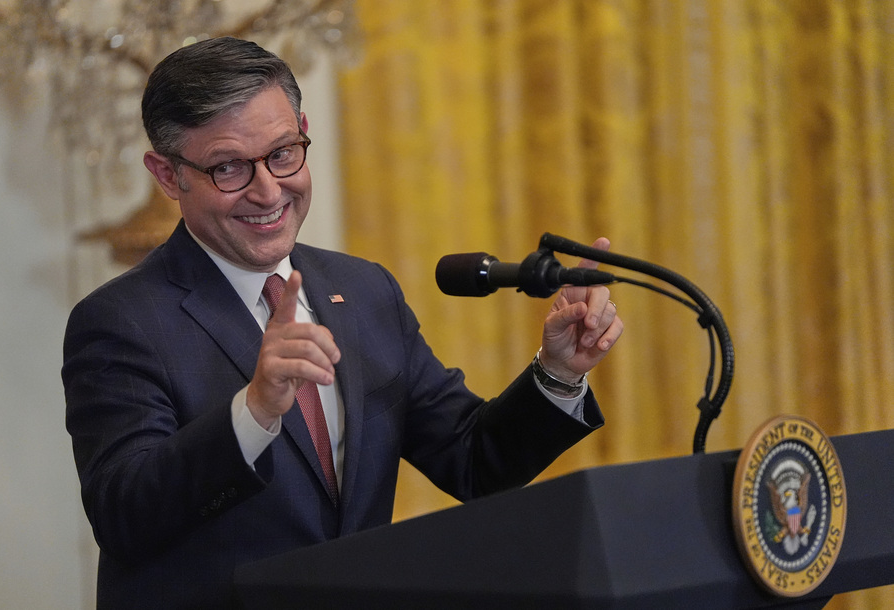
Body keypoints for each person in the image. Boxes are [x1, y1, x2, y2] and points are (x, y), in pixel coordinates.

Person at [62, 37, 623, 609]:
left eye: (283, 153)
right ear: (167, 175)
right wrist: (254, 411)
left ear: (303, 131)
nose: (268, 190)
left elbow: (473, 460)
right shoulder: (121, 322)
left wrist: (557, 374)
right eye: (228, 168)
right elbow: (124, 516)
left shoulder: (365, 290)